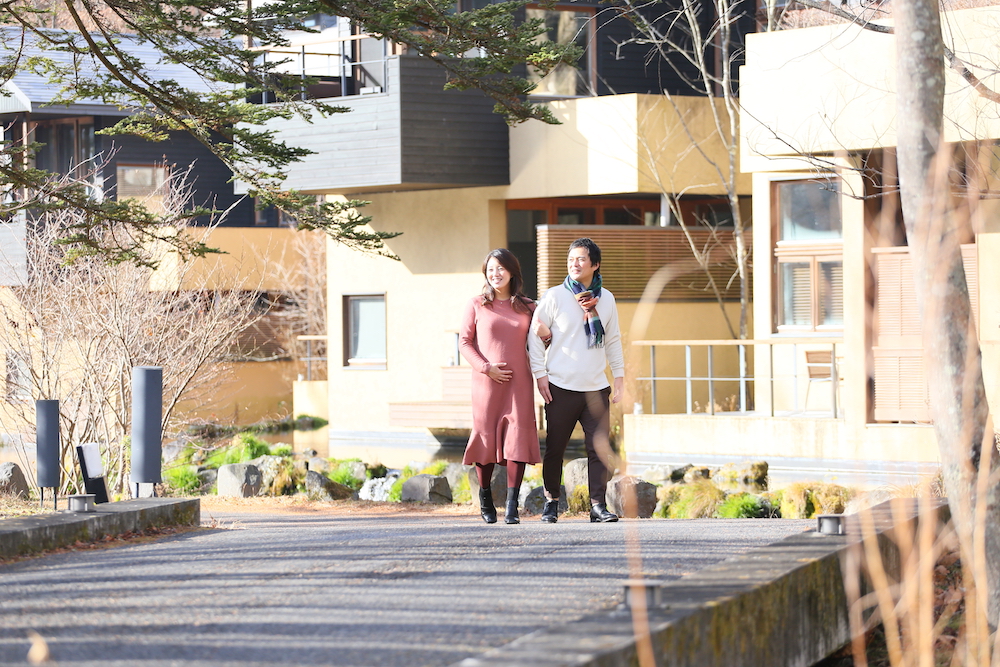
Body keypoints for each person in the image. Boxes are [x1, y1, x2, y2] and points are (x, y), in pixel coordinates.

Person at [528, 237, 625, 523]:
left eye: (581, 259)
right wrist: (540, 375)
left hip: (596, 387)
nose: (574, 263)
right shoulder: (555, 296)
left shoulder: (606, 299)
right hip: (560, 385)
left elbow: (614, 340)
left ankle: (597, 505)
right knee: (555, 448)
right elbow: (534, 335)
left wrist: (619, 376)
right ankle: (551, 502)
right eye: (571, 259)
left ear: (595, 264)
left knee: (599, 450)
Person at [460, 248, 544, 524]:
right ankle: (485, 497)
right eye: (490, 269)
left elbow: (544, 340)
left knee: (517, 439)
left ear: (512, 272)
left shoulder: (529, 306)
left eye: (500, 269)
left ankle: (511, 505)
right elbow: (465, 343)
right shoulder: (476, 304)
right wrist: (487, 368)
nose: (495, 274)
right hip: (486, 384)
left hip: (519, 382)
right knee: (485, 438)